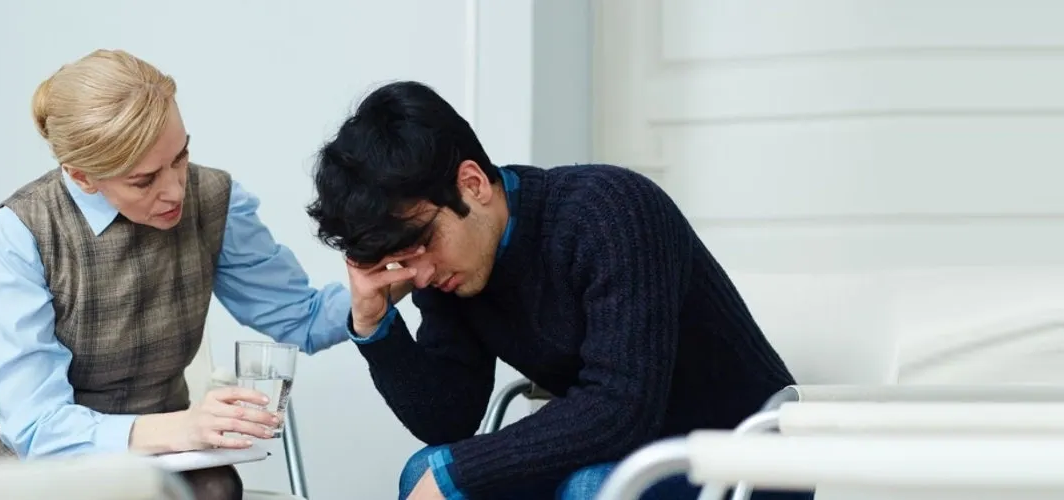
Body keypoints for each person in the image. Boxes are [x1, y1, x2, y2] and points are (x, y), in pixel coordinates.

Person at [304, 81, 812, 500]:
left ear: (473, 184)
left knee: (589, 487)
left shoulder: (611, 211)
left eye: (421, 243)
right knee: (428, 469)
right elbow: (449, 419)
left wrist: (461, 474)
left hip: (748, 457)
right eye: (399, 260)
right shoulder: (449, 267)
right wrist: (374, 327)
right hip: (623, 452)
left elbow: (620, 406)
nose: (418, 276)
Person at [0, 49, 352, 500]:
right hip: (39, 460)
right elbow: (36, 429)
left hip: (169, 451)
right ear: (82, 176)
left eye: (181, 156)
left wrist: (390, 277)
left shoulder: (214, 200)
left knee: (216, 486)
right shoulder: (22, 230)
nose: (175, 190)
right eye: (143, 180)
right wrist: (184, 427)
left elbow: (300, 318)